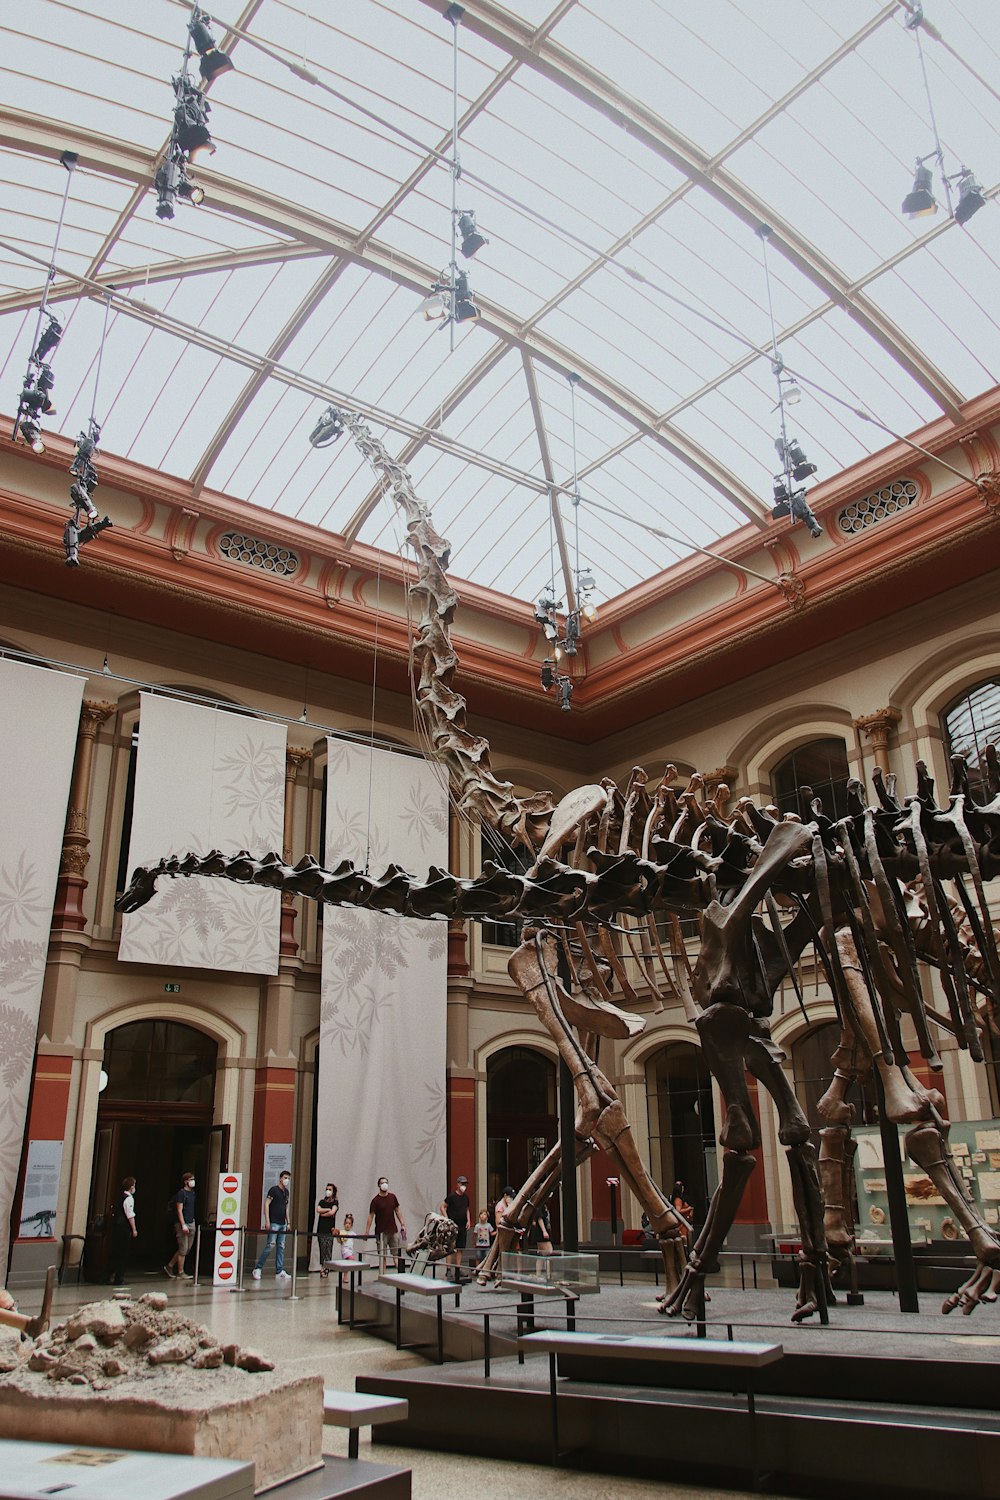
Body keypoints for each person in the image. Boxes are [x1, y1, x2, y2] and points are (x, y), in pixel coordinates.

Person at [252, 1169, 291, 1280]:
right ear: (280, 1178)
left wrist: (288, 1222)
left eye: (288, 1178)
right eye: (285, 1178)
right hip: (274, 1222)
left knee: (281, 1246)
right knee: (270, 1245)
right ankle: (258, 1268)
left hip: (282, 1223)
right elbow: (267, 1204)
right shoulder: (273, 1190)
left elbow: (286, 1208)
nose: (286, 1180)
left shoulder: (286, 1193)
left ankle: (279, 1270)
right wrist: (267, 1220)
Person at [365, 1175, 405, 1273]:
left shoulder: (393, 1197)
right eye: (382, 1183)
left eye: (386, 1182)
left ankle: (401, 1276)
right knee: (382, 1256)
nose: (385, 1184)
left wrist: (402, 1223)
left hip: (393, 1231)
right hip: (381, 1232)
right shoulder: (375, 1201)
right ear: (379, 1185)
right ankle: (382, 1276)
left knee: (396, 1254)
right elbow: (370, 1216)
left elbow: (397, 1210)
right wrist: (367, 1231)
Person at [164, 1170, 196, 1280]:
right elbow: (179, 1210)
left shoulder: (192, 1193)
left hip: (191, 1221)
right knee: (183, 1248)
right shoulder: (181, 1193)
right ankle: (180, 1272)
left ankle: (170, 1265)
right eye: (191, 1179)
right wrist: (183, 1224)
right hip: (183, 1223)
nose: (193, 1181)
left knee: (187, 1249)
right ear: (186, 1181)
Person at [440, 1173, 471, 1280]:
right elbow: (443, 1206)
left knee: (460, 1248)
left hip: (462, 1226)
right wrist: (447, 1219)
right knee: (450, 1247)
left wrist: (468, 1220)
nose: (464, 1186)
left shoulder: (466, 1197)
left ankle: (458, 1268)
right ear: (457, 1184)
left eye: (465, 1184)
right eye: (462, 1184)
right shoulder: (452, 1196)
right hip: (453, 1226)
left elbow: (467, 1209)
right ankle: (448, 1269)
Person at [110, 1175, 137, 1285]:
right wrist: (134, 1229)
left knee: (117, 1252)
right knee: (122, 1253)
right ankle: (119, 1278)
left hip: (117, 1227)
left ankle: (111, 1275)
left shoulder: (121, 1197)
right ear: (131, 1187)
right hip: (124, 1228)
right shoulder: (129, 1198)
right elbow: (130, 1215)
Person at [315, 1181, 338, 1274]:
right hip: (321, 1229)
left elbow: (333, 1212)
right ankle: (322, 1266)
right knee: (322, 1248)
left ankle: (327, 1268)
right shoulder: (322, 1201)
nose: (328, 1191)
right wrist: (327, 1209)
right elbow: (318, 1209)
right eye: (327, 1189)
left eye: (330, 1189)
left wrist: (323, 1214)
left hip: (329, 1229)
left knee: (328, 1248)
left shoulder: (335, 1202)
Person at [671, 1180, 694, 1244]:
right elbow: (678, 1210)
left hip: (686, 1221)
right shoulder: (678, 1199)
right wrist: (688, 1209)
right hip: (682, 1223)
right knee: (684, 1238)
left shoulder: (683, 1198)